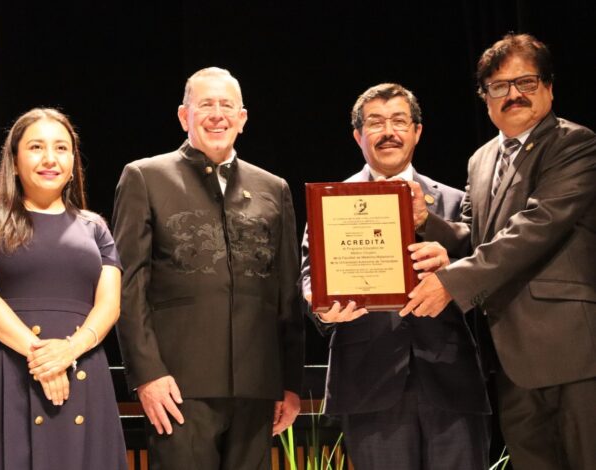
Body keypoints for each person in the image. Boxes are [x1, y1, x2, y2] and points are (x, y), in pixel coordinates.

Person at [402, 33, 596, 469]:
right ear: (484, 98)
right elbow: (475, 233)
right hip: (508, 356)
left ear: (548, 86)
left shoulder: (575, 145)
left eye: (525, 82)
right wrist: (424, 223)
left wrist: (451, 282)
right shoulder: (481, 159)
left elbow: (536, 228)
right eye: (499, 87)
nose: (513, 95)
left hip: (572, 351)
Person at [112, 67, 304, 469]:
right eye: (206, 105)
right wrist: (147, 374)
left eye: (226, 105)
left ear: (242, 118)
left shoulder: (274, 188)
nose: (217, 114)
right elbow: (129, 287)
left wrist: (289, 382)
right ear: (184, 116)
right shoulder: (144, 177)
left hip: (257, 384)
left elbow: (285, 292)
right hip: (177, 386)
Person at [299, 83, 490, 469]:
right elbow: (309, 277)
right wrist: (321, 308)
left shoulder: (457, 202)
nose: (389, 132)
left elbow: (487, 274)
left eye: (399, 121)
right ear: (358, 135)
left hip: (451, 379)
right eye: (375, 123)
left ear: (417, 131)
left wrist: (450, 268)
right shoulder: (331, 202)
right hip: (369, 381)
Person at [0, 108, 127, 469]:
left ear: (73, 161)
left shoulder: (95, 227)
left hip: (83, 370)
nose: (49, 159)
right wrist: (44, 358)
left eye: (61, 148)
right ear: (13, 161)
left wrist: (70, 351)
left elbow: (110, 305)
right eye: (36, 147)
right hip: (7, 369)